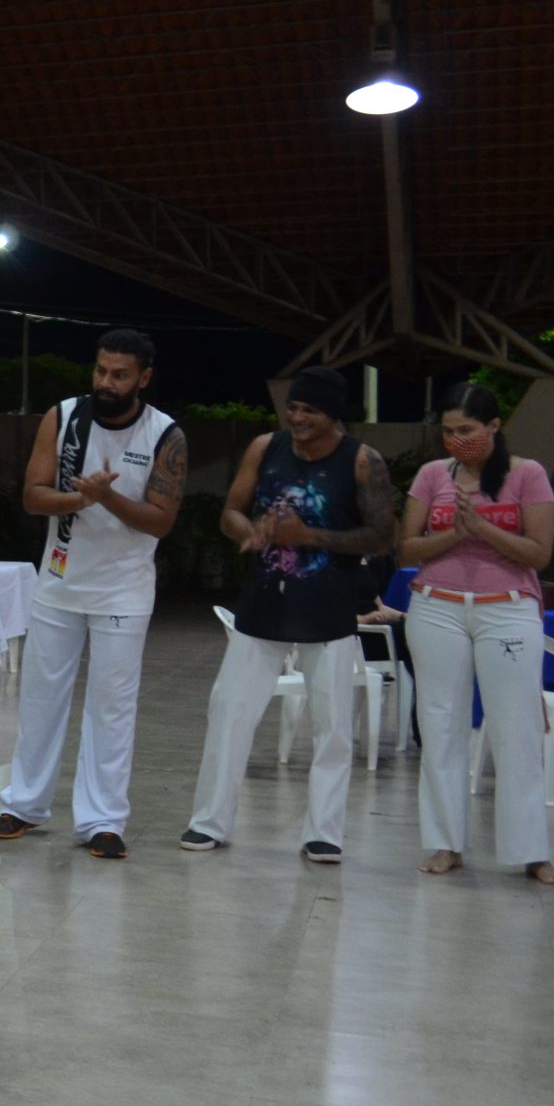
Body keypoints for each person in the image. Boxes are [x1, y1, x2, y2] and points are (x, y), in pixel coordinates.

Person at [182, 366, 392, 864]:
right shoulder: (265, 447)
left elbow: (384, 537)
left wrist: (309, 536)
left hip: (330, 610)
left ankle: (324, 832)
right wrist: (250, 532)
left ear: (333, 415)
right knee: (229, 713)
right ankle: (209, 821)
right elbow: (230, 512)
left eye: (309, 411)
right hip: (263, 604)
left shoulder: (362, 461)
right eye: (292, 407)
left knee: (332, 726)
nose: (297, 418)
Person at [0, 330, 182, 861]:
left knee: (111, 709)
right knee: (40, 699)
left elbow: (161, 521)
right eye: (100, 371)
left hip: (124, 591)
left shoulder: (165, 434)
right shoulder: (64, 416)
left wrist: (107, 497)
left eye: (120, 375)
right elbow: (33, 496)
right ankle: (24, 805)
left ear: (144, 377)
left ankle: (102, 820)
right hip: (59, 582)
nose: (106, 382)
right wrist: (80, 500)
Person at [399, 382, 554, 883]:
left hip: (507, 608)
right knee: (440, 724)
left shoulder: (527, 474)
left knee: (517, 728)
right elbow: (407, 548)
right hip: (437, 608)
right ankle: (446, 843)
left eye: (467, 429)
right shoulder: (433, 475)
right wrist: (454, 534)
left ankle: (531, 851)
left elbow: (539, 553)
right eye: (448, 431)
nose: (456, 439)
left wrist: (483, 530)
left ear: (494, 426)